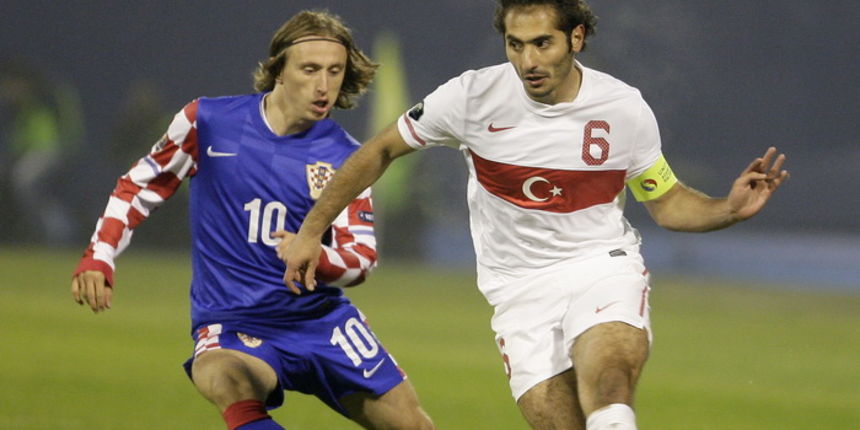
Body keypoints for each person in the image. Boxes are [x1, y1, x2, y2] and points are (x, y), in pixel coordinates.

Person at [281, 1, 789, 430]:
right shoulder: (472, 96)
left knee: (610, 390)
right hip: (516, 291)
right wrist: (312, 230)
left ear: (577, 38)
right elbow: (380, 149)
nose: (528, 60)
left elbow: (667, 201)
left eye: (542, 43)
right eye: (515, 44)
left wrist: (728, 208)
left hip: (599, 264)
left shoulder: (622, 108)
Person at [70, 10, 435, 430]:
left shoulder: (346, 158)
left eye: (335, 71)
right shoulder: (206, 122)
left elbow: (362, 258)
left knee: (415, 427)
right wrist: (100, 255)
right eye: (310, 69)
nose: (324, 85)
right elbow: (138, 186)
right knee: (224, 377)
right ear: (279, 69)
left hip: (320, 322)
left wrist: (321, 256)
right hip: (233, 321)